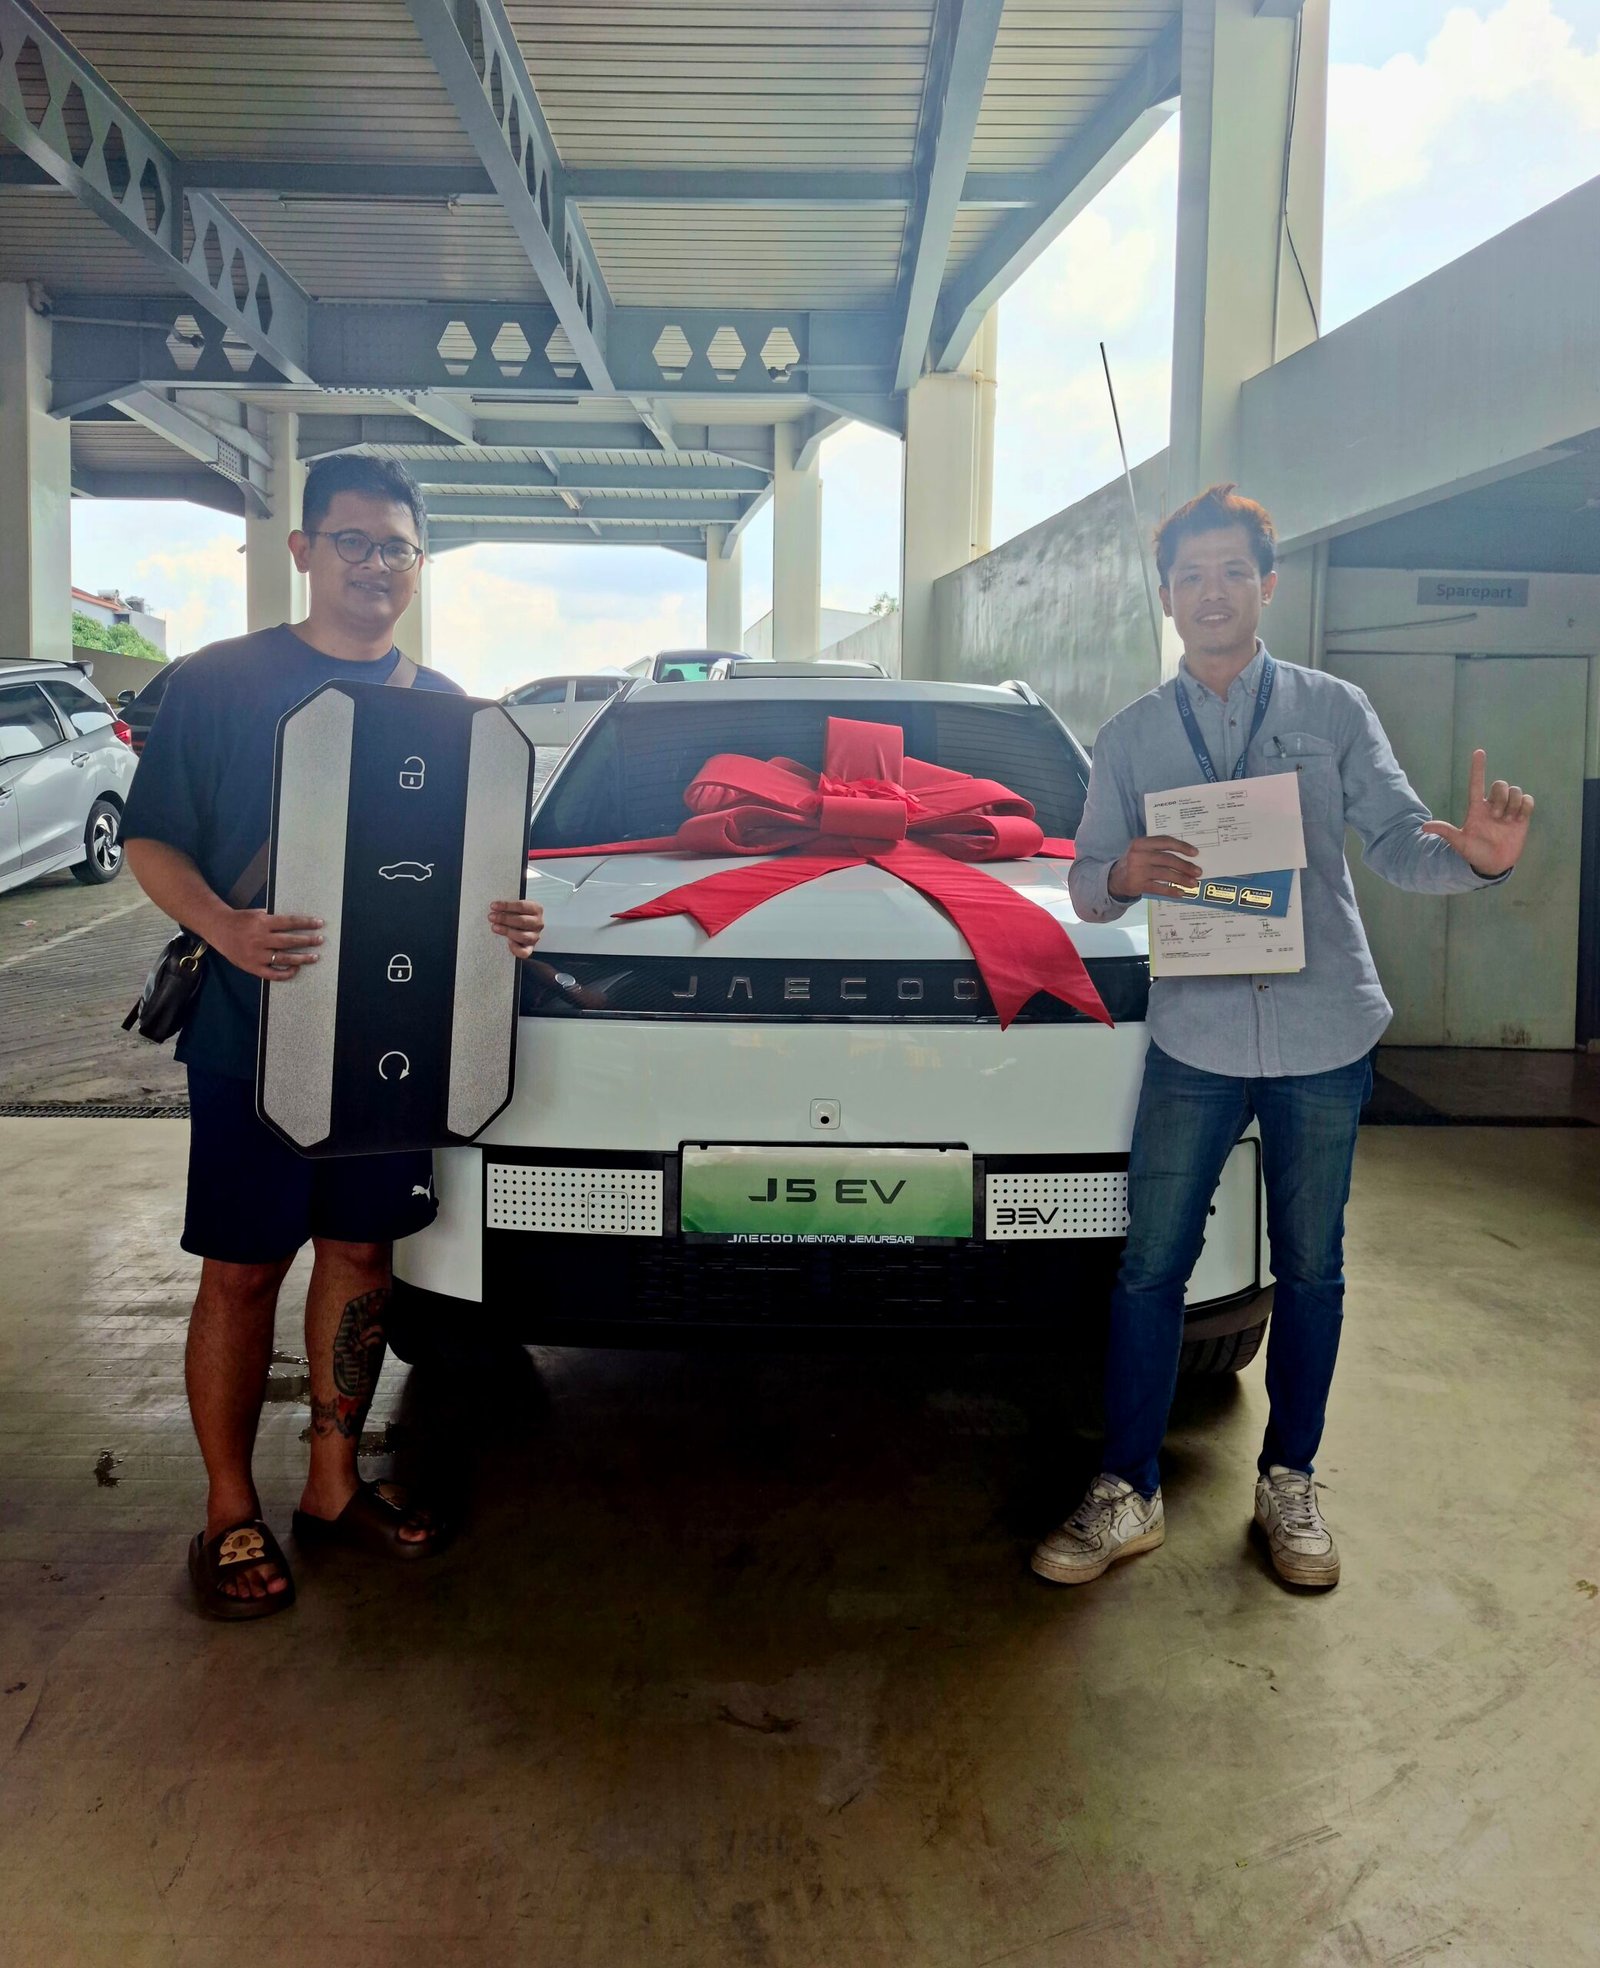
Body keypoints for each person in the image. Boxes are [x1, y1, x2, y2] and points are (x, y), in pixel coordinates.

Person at [1033, 484, 1534, 1591]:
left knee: (1312, 1267)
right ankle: (1128, 1488)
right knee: (1150, 1267)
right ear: (1167, 597)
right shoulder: (1129, 737)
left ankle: (1289, 1479)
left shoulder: (1333, 710)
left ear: (1267, 583)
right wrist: (1121, 874)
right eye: (1189, 576)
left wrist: (1478, 862)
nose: (1210, 593)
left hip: (1320, 1030)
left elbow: (1399, 839)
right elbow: (1084, 884)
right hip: (1197, 1037)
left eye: (1231, 571)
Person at [123, 454, 545, 1621]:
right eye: (352, 541)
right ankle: (228, 1507)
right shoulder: (219, 682)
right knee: (244, 1268)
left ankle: (330, 1486)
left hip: (393, 1044)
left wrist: (505, 922)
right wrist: (224, 927)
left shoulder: (449, 707)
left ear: (419, 564)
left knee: (361, 1259)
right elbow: (150, 837)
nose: (375, 564)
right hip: (248, 1033)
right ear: (304, 550)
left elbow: (469, 872)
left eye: (396, 546)